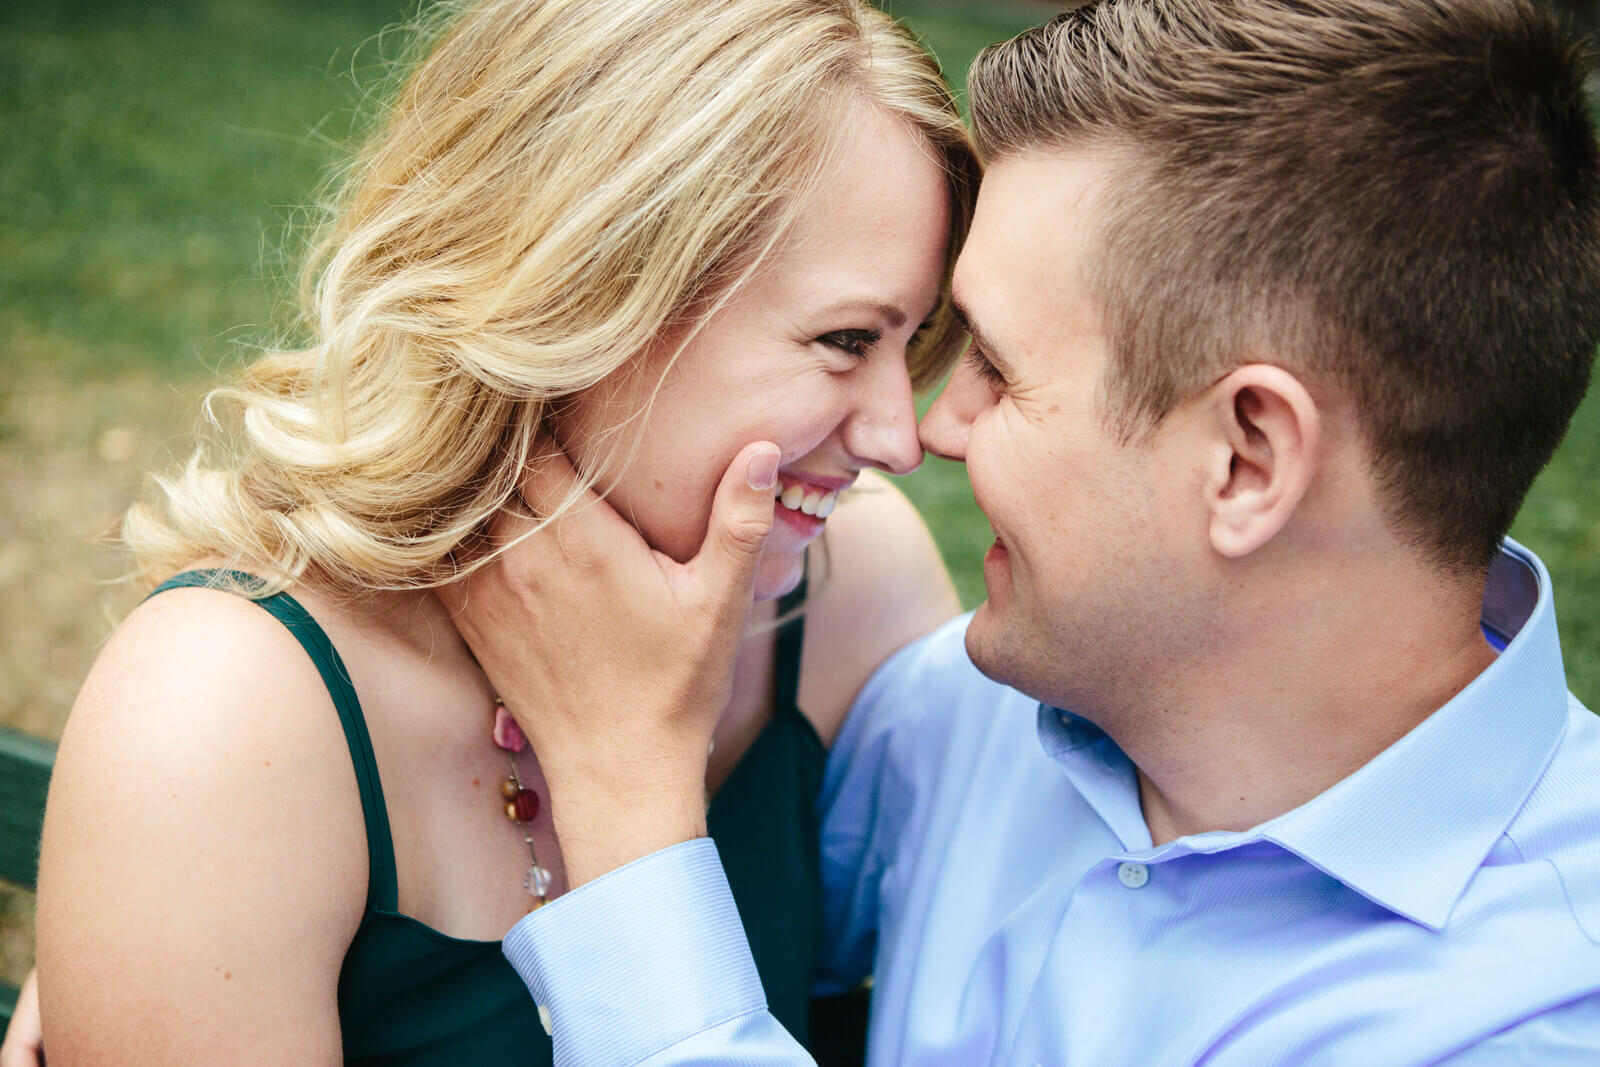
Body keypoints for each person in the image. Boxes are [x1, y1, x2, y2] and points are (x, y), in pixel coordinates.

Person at [441, 0, 1600, 1062]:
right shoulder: (966, 720)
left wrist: (627, 797)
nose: (928, 430)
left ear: (1247, 459)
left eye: (995, 367)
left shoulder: (1529, 1013)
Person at [15, 0, 980, 1062]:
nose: (901, 434)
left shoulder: (851, 588)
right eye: (845, 339)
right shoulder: (225, 716)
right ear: (583, 294)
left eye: (912, 338)